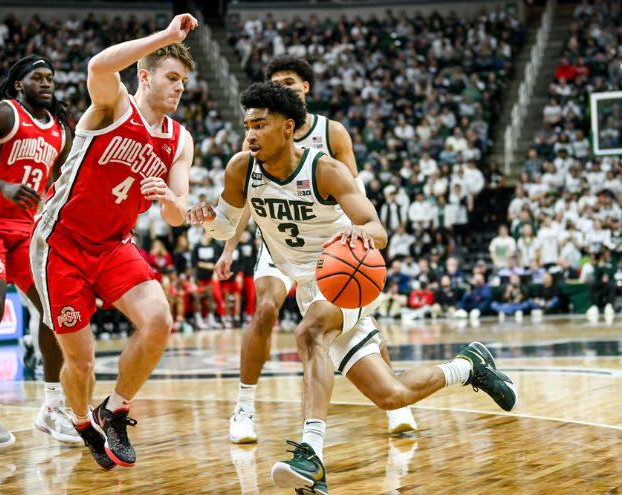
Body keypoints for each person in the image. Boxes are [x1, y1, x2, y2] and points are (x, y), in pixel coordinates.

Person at [188, 82, 518, 494]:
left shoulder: (324, 169)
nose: (251, 134)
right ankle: (469, 366)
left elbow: (377, 229)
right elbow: (223, 225)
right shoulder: (241, 168)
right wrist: (205, 218)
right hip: (311, 288)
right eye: (247, 125)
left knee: (308, 332)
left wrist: (361, 234)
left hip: (351, 276)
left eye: (261, 125)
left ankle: (311, 455)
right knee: (391, 395)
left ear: (288, 128)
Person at [214, 55, 417, 444]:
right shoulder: (257, 136)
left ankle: (396, 403)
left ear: (304, 88)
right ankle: (245, 407)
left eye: (289, 82)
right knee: (265, 306)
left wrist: (364, 237)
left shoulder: (331, 133)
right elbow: (244, 199)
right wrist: (228, 247)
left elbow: (353, 192)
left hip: (328, 240)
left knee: (356, 319)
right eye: (275, 83)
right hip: (278, 238)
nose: (282, 89)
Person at [30, 14, 197, 469]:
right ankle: (82, 421)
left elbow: (176, 213)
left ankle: (116, 409)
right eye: (172, 78)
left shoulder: (180, 139)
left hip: (113, 245)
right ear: (144, 76)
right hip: (61, 242)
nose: (179, 88)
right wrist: (165, 37)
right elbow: (98, 66)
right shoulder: (113, 105)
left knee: (159, 320)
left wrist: (171, 200)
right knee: (80, 362)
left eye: (184, 82)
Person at [0, 55, 78, 447]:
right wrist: (1, 185)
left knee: (53, 308)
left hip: (25, 230)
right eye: (37, 77)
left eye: (51, 78)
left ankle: (51, 408)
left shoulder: (61, 131)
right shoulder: (3, 113)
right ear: (18, 84)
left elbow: (63, 180)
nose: (46, 83)